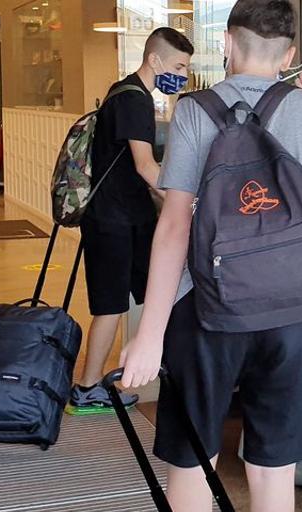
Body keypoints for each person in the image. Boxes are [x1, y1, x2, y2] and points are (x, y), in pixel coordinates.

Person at [117, 1, 302, 512]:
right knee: (272, 467)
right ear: (292, 54)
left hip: (206, 311)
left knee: (193, 462)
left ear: (227, 43)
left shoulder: (194, 111)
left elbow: (173, 229)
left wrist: (150, 335)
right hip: (297, 314)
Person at [67, 27, 195, 415]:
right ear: (154, 60)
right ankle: (87, 387)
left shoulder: (126, 93)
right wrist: (183, 200)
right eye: (178, 66)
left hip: (127, 218)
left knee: (158, 293)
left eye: (187, 68)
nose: (183, 75)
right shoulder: (134, 102)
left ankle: (153, 369)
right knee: (110, 306)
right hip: (112, 221)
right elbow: (145, 167)